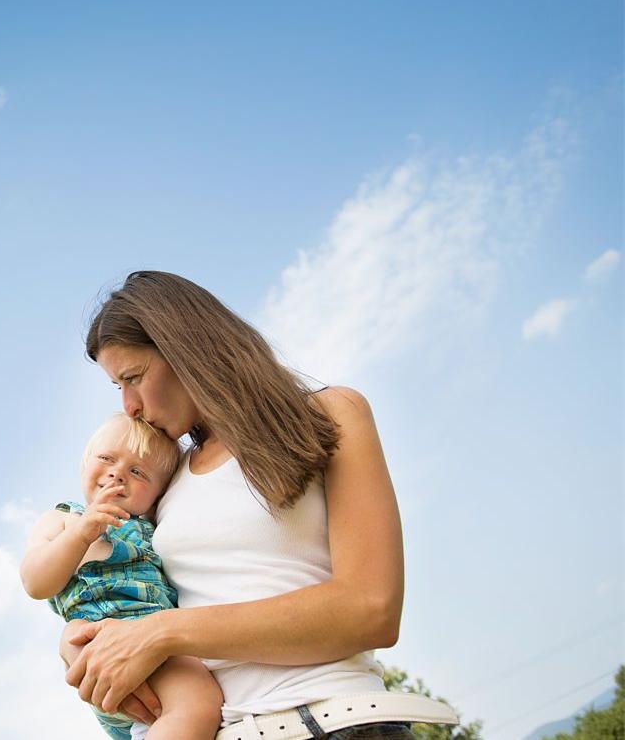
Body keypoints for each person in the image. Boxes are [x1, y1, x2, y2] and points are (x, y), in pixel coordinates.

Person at [61, 271, 459, 740]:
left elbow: (371, 609)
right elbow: (116, 581)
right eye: (117, 388)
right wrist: (81, 640)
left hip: (339, 722)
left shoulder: (330, 415)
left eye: (133, 377)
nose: (128, 405)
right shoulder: (160, 485)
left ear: (185, 348)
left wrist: (165, 631)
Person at [20, 413, 224, 740]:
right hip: (92, 639)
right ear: (85, 461)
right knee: (198, 702)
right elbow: (35, 582)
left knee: (184, 712)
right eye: (106, 458)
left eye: (137, 472)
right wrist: (81, 533)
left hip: (153, 640)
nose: (117, 473)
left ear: (157, 495)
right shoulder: (63, 519)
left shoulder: (152, 528)